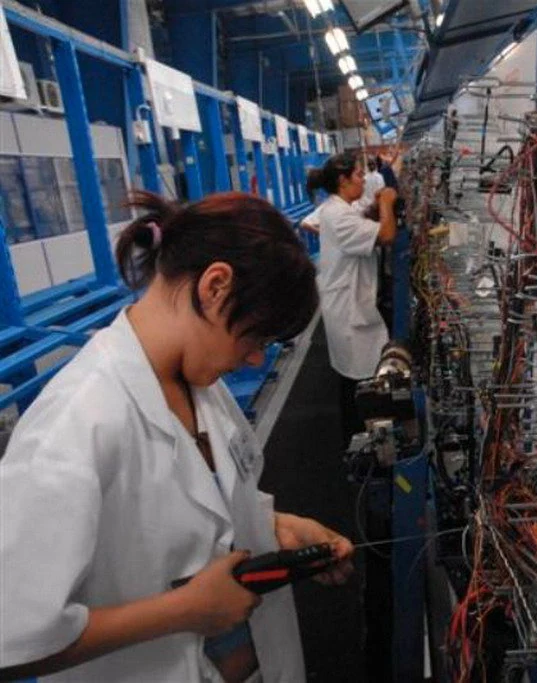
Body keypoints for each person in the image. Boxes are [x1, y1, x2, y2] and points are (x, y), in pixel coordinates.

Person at [0, 191, 355, 683]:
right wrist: (184, 611)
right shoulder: (75, 422)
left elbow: (195, 510)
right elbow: (11, 639)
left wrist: (277, 526)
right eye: (255, 338)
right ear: (215, 286)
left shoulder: (197, 383)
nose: (257, 359)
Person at [304, 152, 398, 445]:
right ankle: (359, 445)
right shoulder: (337, 215)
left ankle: (358, 441)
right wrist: (386, 202)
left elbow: (364, 218)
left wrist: (375, 207)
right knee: (358, 383)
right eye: (358, 175)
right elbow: (386, 235)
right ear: (343, 181)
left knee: (356, 379)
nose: (363, 180)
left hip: (348, 302)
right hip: (348, 310)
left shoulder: (341, 208)